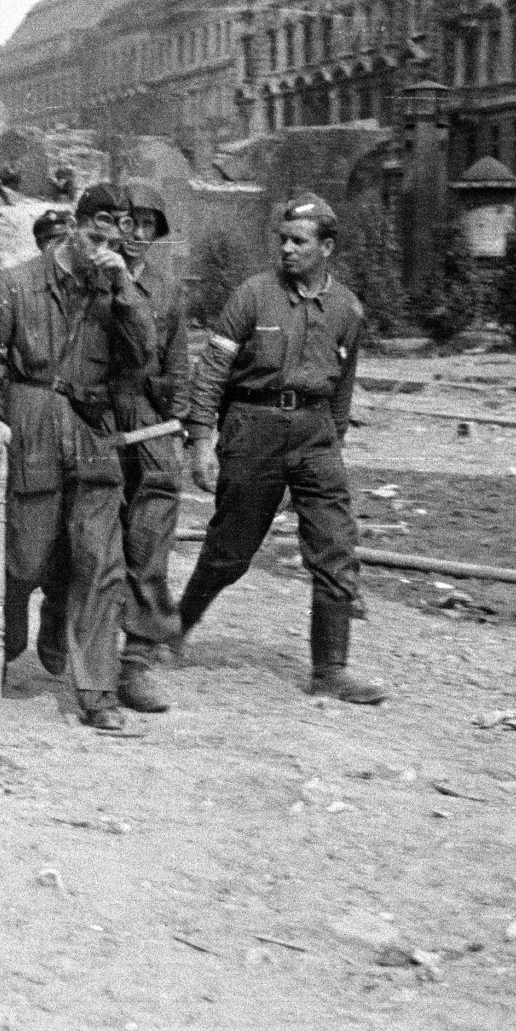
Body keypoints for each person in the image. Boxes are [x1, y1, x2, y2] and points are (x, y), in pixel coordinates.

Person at [176, 193, 387, 705]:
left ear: (327, 247)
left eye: (299, 241)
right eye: (283, 240)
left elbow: (343, 387)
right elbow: (211, 372)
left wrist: (332, 447)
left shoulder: (347, 309)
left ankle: (330, 671)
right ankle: (174, 628)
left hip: (315, 434)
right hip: (254, 427)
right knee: (231, 552)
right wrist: (202, 439)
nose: (287, 250)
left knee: (336, 549)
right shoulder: (252, 296)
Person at [0, 186, 155, 729]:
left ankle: (97, 691)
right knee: (25, 559)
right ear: (74, 222)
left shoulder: (116, 289)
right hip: (31, 422)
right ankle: (4, 638)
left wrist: (124, 293)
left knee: (101, 561)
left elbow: (144, 358)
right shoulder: (17, 284)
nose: (106, 236)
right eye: (97, 223)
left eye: (117, 227)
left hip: (92, 433)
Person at [103, 192, 189, 714]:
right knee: (87, 528)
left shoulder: (167, 289)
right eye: (131, 222)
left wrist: (180, 423)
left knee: (150, 537)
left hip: (149, 418)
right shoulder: (92, 274)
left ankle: (137, 660)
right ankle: (67, 632)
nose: (138, 233)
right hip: (96, 412)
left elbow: (178, 361)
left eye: (148, 226)